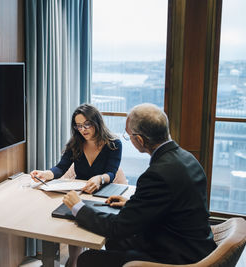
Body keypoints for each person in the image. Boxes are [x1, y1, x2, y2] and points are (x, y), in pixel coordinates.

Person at [63, 103, 217, 267]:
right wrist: (133, 205)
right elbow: (174, 203)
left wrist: (78, 207)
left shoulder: (157, 174)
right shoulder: (187, 158)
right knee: (116, 242)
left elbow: (117, 227)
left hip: (177, 256)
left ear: (140, 140)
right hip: (192, 243)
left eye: (129, 136)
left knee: (87, 259)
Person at [30, 103, 122, 267]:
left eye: (87, 124)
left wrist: (99, 178)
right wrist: (46, 174)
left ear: (97, 122)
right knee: (74, 225)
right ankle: (72, 261)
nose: (83, 129)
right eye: (79, 126)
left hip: (102, 194)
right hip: (80, 192)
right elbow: (60, 167)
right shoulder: (76, 143)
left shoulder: (113, 144)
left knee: (99, 231)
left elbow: (111, 172)